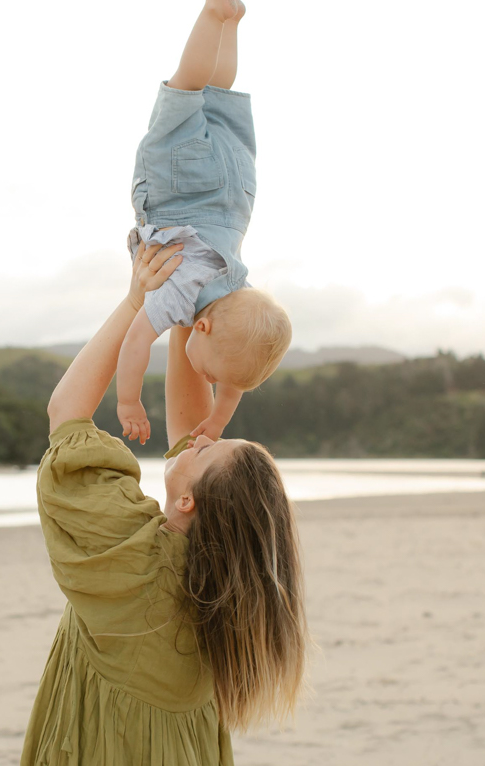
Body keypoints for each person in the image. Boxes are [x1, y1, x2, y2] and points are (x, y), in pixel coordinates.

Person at [13, 226, 309, 766]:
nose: (201, 437)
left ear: (191, 499)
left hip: (105, 763)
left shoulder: (133, 557)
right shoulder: (220, 587)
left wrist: (138, 302)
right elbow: (188, 425)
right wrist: (191, 316)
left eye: (209, 448)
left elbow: (67, 418)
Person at [117, 0, 292, 447]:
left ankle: (229, 22)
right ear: (201, 327)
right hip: (181, 186)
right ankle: (213, 13)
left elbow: (234, 384)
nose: (209, 379)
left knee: (215, 96)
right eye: (211, 372)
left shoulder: (239, 303)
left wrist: (214, 426)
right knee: (185, 90)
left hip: (235, 192)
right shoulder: (181, 292)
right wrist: (128, 402)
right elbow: (136, 343)